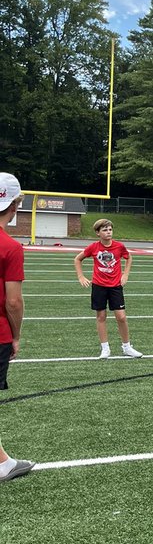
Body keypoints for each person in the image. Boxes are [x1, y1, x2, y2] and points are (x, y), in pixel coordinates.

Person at [0, 173, 34, 482]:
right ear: (14, 205)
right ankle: (3, 464)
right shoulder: (10, 247)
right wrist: (17, 336)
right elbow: (13, 302)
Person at [74, 218, 143, 358]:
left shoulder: (119, 246)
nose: (108, 232)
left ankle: (127, 347)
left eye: (110, 229)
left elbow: (128, 257)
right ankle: (105, 348)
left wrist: (125, 274)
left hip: (115, 286)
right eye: (105, 230)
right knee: (101, 316)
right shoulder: (93, 247)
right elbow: (77, 259)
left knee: (121, 317)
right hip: (99, 286)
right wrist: (81, 276)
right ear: (97, 233)